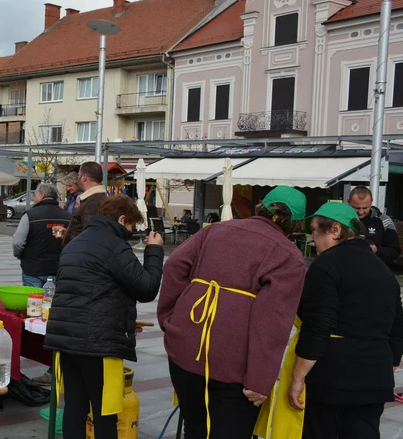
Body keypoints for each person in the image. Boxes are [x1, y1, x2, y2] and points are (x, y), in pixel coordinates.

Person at [157, 186, 308, 439]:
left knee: (194, 428)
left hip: (186, 350)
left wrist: (170, 319)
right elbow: (272, 321)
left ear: (261, 207)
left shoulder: (214, 230)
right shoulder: (289, 256)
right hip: (233, 365)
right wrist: (260, 381)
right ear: (296, 224)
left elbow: (173, 265)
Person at [279, 202, 403, 439]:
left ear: (335, 230)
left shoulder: (326, 265)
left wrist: (297, 377)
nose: (313, 238)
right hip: (375, 378)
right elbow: (398, 326)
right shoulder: (384, 271)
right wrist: (389, 364)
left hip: (333, 378)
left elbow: (318, 326)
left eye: (316, 231)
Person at [44, 195, 164, 439]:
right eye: (130, 226)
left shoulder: (74, 243)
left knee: (75, 408)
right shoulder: (114, 246)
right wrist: (154, 251)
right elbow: (147, 288)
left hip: (67, 342)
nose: (130, 232)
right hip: (100, 346)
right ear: (121, 219)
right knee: (105, 413)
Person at [12, 183, 71, 288]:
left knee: (34, 302)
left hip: (33, 269)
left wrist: (20, 256)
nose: (34, 199)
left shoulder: (30, 215)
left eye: (35, 195)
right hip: (58, 269)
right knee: (54, 302)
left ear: (41, 195)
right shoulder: (68, 217)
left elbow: (17, 242)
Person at [347, 186, 401, 266]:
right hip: (347, 265)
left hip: (375, 266)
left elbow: (395, 251)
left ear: (371, 201)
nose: (361, 212)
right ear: (348, 202)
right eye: (356, 208)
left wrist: (376, 250)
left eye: (365, 208)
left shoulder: (383, 220)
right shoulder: (341, 219)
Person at [56, 162, 107, 244]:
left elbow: (90, 237)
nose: (78, 178)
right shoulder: (95, 199)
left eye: (79, 175)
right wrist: (67, 233)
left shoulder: (93, 202)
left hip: (80, 253)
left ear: (84, 177)